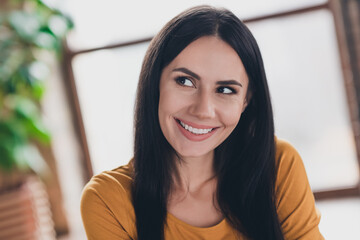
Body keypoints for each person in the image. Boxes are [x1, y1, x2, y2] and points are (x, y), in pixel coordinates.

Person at [81, 5, 324, 240]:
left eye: (226, 90)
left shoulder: (278, 165)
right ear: (154, 83)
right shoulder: (108, 199)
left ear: (246, 100)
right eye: (185, 81)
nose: (203, 110)